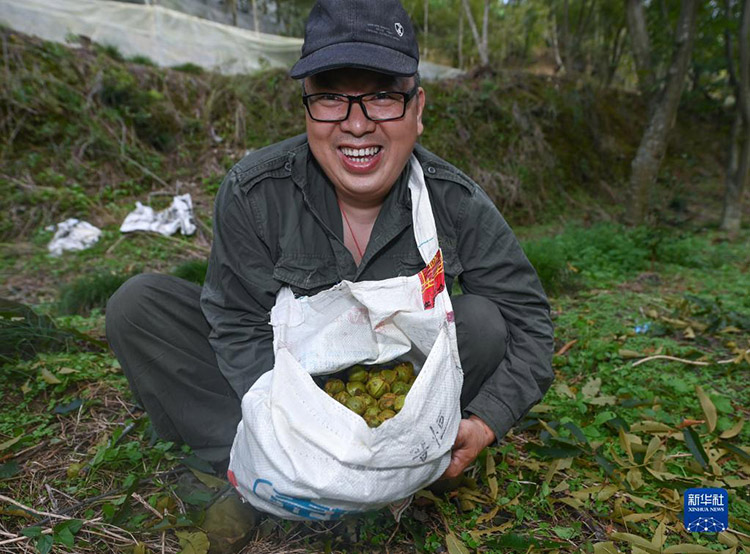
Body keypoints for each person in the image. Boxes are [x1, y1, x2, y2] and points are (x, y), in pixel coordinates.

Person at [106, 0, 553, 488]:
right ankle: (247, 468)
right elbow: (236, 324)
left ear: (418, 110)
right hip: (286, 383)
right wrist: (296, 429)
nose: (357, 125)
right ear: (307, 107)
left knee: (485, 323)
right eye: (331, 98)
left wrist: (487, 420)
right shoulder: (254, 192)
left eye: (383, 96)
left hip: (395, 390)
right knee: (138, 306)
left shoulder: (456, 201)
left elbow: (528, 323)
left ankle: (413, 461)